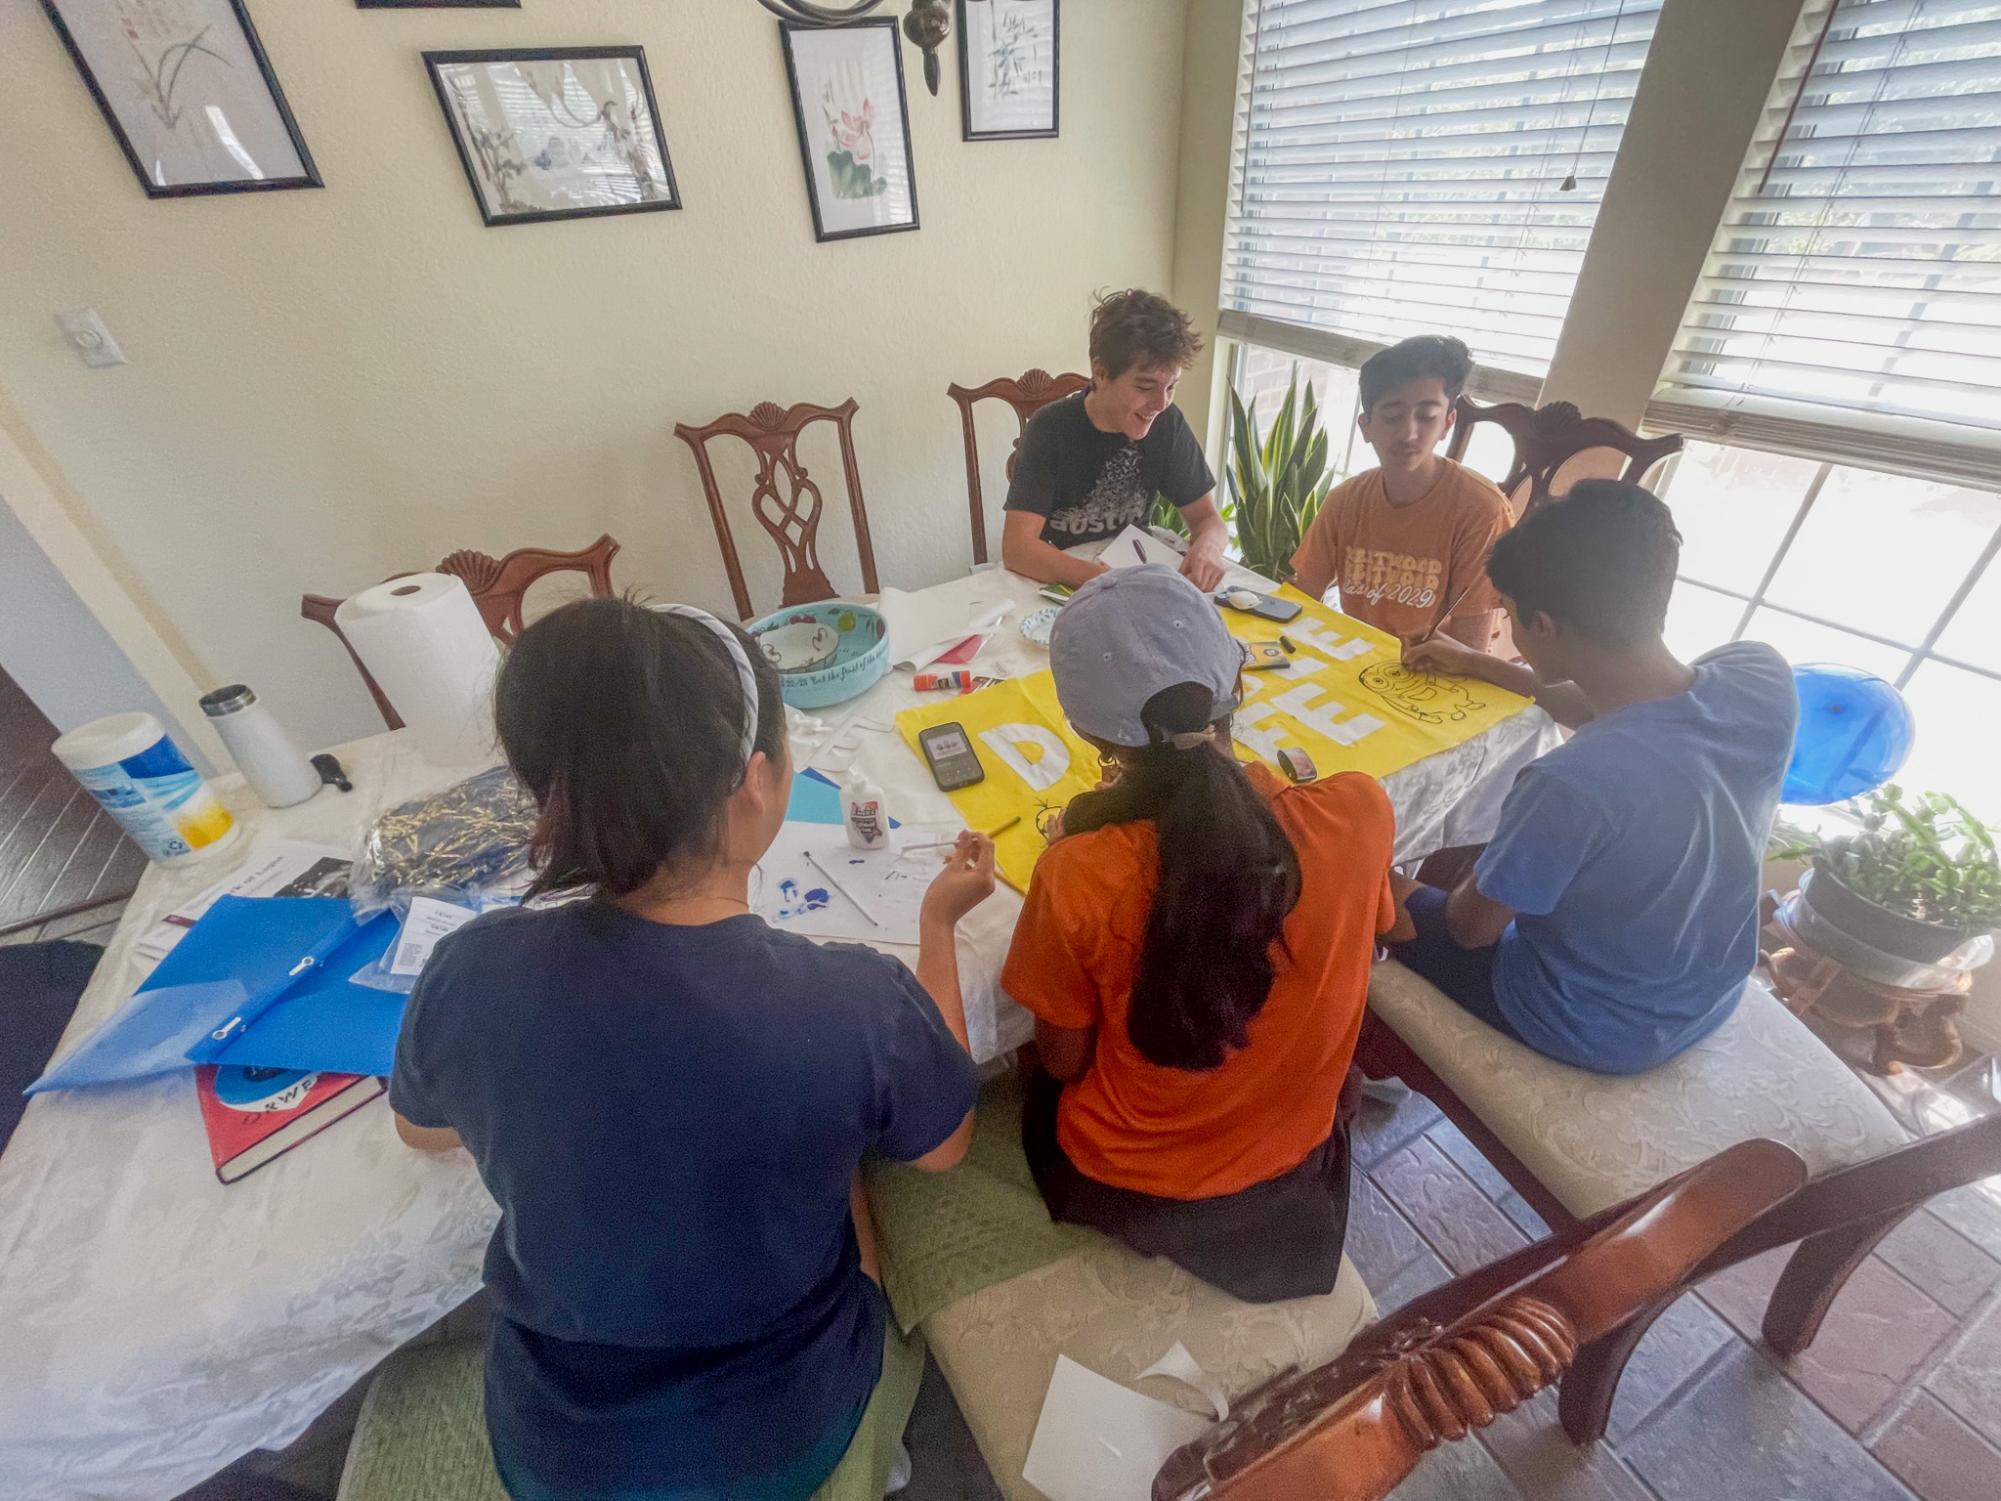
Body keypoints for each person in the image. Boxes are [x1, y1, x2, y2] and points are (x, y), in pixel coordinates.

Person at [388, 597, 996, 1500]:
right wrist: (937, 928)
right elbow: (944, 1148)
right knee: (856, 1174)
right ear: (757, 780)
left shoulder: (470, 964)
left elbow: (422, 1130)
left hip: (555, 1450)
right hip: (776, 1434)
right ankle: (871, 1444)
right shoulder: (851, 1000)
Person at [1000, 566, 1406, 1302]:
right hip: (1293, 1163)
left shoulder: (1075, 873)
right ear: (1238, 681)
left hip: (1133, 1184)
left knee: (1015, 1072)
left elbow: (1062, 1062)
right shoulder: (1358, 810)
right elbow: (1369, 930)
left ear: (1087, 732)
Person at [1394, 480, 1797, 1074]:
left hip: (1585, 1022)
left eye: (1509, 614)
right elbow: (1621, 707)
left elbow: (1470, 930)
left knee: (1364, 879)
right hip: (1708, 989)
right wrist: (1479, 664)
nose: (1510, 630)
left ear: (1545, 626)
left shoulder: (1569, 781)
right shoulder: (1759, 673)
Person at [1003, 289, 1231, 592]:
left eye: (1171, 386)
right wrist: (1105, 580)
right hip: (1059, 585)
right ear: (1100, 372)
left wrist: (1208, 548)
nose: (1160, 403)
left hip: (1131, 577)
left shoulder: (1167, 423)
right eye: (1145, 386)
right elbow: (1018, 549)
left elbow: (1208, 519)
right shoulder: (1050, 428)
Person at [1290, 335, 1510, 647]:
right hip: (1357, 657)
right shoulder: (1345, 501)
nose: (1409, 433)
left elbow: (1471, 650)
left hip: (1441, 672)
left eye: (1426, 416)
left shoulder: (1482, 511)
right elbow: (1301, 597)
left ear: (1448, 422)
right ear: (1366, 426)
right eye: (1392, 416)